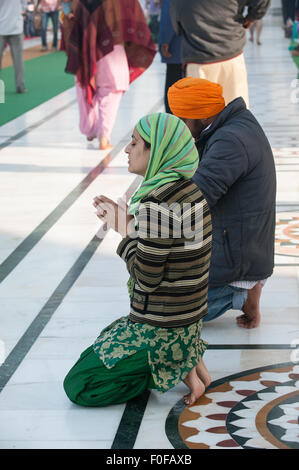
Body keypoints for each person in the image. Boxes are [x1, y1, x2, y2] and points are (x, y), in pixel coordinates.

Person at [63, 112, 212, 407]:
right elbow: (176, 253)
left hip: (162, 327)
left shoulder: (157, 204)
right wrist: (130, 224)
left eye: (134, 143)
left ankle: (175, 365)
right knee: (101, 345)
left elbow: (146, 277)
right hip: (188, 321)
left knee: (80, 384)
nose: (127, 150)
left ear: (156, 150)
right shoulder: (190, 190)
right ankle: (187, 357)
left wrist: (123, 232)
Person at [168, 77, 276, 329]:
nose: (181, 128)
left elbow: (195, 198)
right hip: (236, 242)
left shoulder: (230, 141)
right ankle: (245, 287)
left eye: (183, 121)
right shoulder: (232, 126)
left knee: (165, 310)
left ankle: (241, 293)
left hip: (237, 254)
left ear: (203, 117)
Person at [65, 0, 156, 150]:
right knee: (111, 92)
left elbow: (70, 16)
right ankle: (104, 137)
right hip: (111, 47)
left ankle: (89, 129)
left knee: (84, 86)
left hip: (85, 48)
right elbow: (132, 14)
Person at [170, 0, 271, 108]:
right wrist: (251, 17)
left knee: (201, 116)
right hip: (231, 55)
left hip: (198, 59)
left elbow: (177, 22)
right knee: (237, 115)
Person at [158, 0, 182, 113]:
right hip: (196, 46)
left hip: (177, 46)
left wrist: (165, 40)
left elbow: (169, 14)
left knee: (173, 91)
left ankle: (173, 125)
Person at [0, 0, 27, 94]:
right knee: (18, 60)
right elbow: (24, 5)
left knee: (18, 60)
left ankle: (20, 86)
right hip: (16, 27)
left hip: (2, 27)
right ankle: (20, 87)